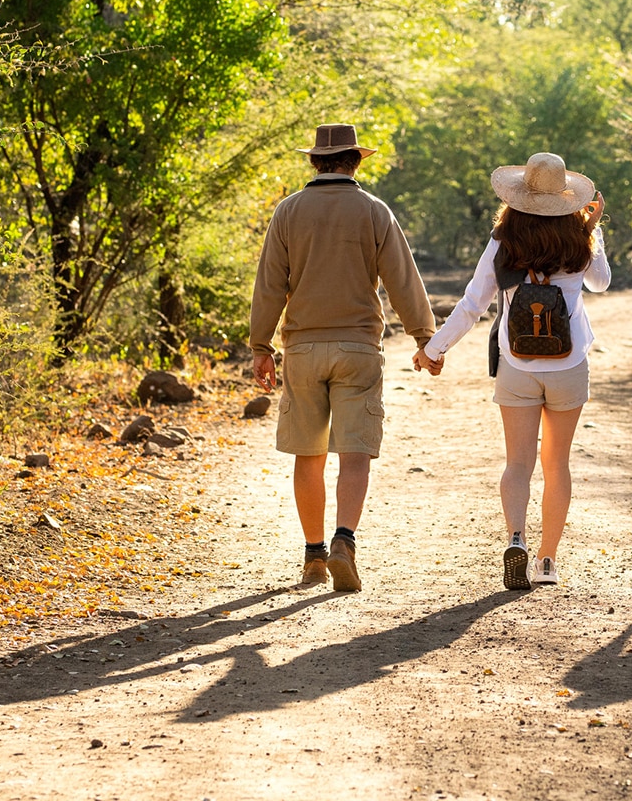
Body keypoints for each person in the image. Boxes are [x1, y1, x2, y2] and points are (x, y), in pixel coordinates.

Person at [249, 123, 439, 593]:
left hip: (303, 350)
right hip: (358, 349)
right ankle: (344, 542)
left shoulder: (288, 212)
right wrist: (423, 337)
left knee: (307, 454)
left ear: (315, 161)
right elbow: (401, 278)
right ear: (356, 160)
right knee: (355, 454)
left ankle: (313, 556)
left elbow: (270, 283)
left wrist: (260, 346)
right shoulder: (374, 211)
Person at [418, 152, 608, 590]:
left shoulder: (504, 240)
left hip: (516, 363)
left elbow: (472, 304)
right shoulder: (580, 237)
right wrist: (592, 228)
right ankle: (546, 561)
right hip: (569, 363)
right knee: (556, 463)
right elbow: (600, 283)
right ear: (566, 196)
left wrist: (434, 348)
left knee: (517, 462)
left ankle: (517, 538)